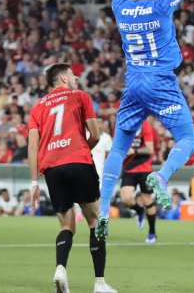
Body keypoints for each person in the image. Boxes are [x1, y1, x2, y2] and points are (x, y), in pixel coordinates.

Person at [95, 0, 194, 240]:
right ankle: (162, 178)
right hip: (160, 81)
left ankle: (102, 211)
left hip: (133, 83)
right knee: (188, 140)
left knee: (119, 147)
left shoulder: (120, 6)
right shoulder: (161, 6)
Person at [28, 63, 116, 293]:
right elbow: (95, 134)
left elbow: (32, 146)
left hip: (52, 169)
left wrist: (34, 182)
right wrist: (81, 152)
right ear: (64, 79)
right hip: (77, 161)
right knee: (96, 222)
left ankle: (60, 269)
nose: (76, 78)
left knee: (66, 224)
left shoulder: (37, 107)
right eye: (73, 75)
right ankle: (99, 283)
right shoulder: (80, 97)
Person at [120, 120, 158, 243]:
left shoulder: (146, 126)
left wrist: (134, 151)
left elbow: (150, 149)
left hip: (145, 168)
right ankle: (139, 210)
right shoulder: (123, 125)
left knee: (147, 199)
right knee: (126, 199)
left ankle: (152, 232)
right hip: (128, 168)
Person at [91, 117, 113, 187]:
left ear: (103, 124)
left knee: (98, 194)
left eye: (100, 123)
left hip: (100, 171)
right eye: (96, 123)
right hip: (87, 170)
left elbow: (109, 156)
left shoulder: (107, 138)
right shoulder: (86, 135)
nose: (98, 125)